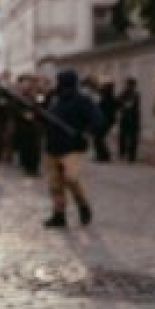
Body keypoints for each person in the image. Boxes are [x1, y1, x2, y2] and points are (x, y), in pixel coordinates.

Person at [43, 69, 101, 228]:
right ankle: (59, 215)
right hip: (52, 147)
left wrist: (83, 132)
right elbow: (46, 119)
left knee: (71, 178)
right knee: (55, 184)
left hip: (71, 148)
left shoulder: (83, 100)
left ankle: (83, 205)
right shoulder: (54, 99)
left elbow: (97, 121)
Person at [117, 77, 142, 162]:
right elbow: (120, 103)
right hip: (129, 118)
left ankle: (130, 155)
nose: (130, 86)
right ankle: (126, 153)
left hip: (130, 118)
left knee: (130, 137)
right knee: (125, 137)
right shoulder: (126, 94)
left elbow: (125, 105)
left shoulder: (134, 95)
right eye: (129, 85)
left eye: (131, 85)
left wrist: (123, 104)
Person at [93, 80, 118, 163]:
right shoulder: (109, 98)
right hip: (106, 121)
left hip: (105, 121)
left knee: (98, 138)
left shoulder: (108, 99)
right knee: (98, 138)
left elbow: (103, 109)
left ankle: (104, 156)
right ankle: (103, 155)